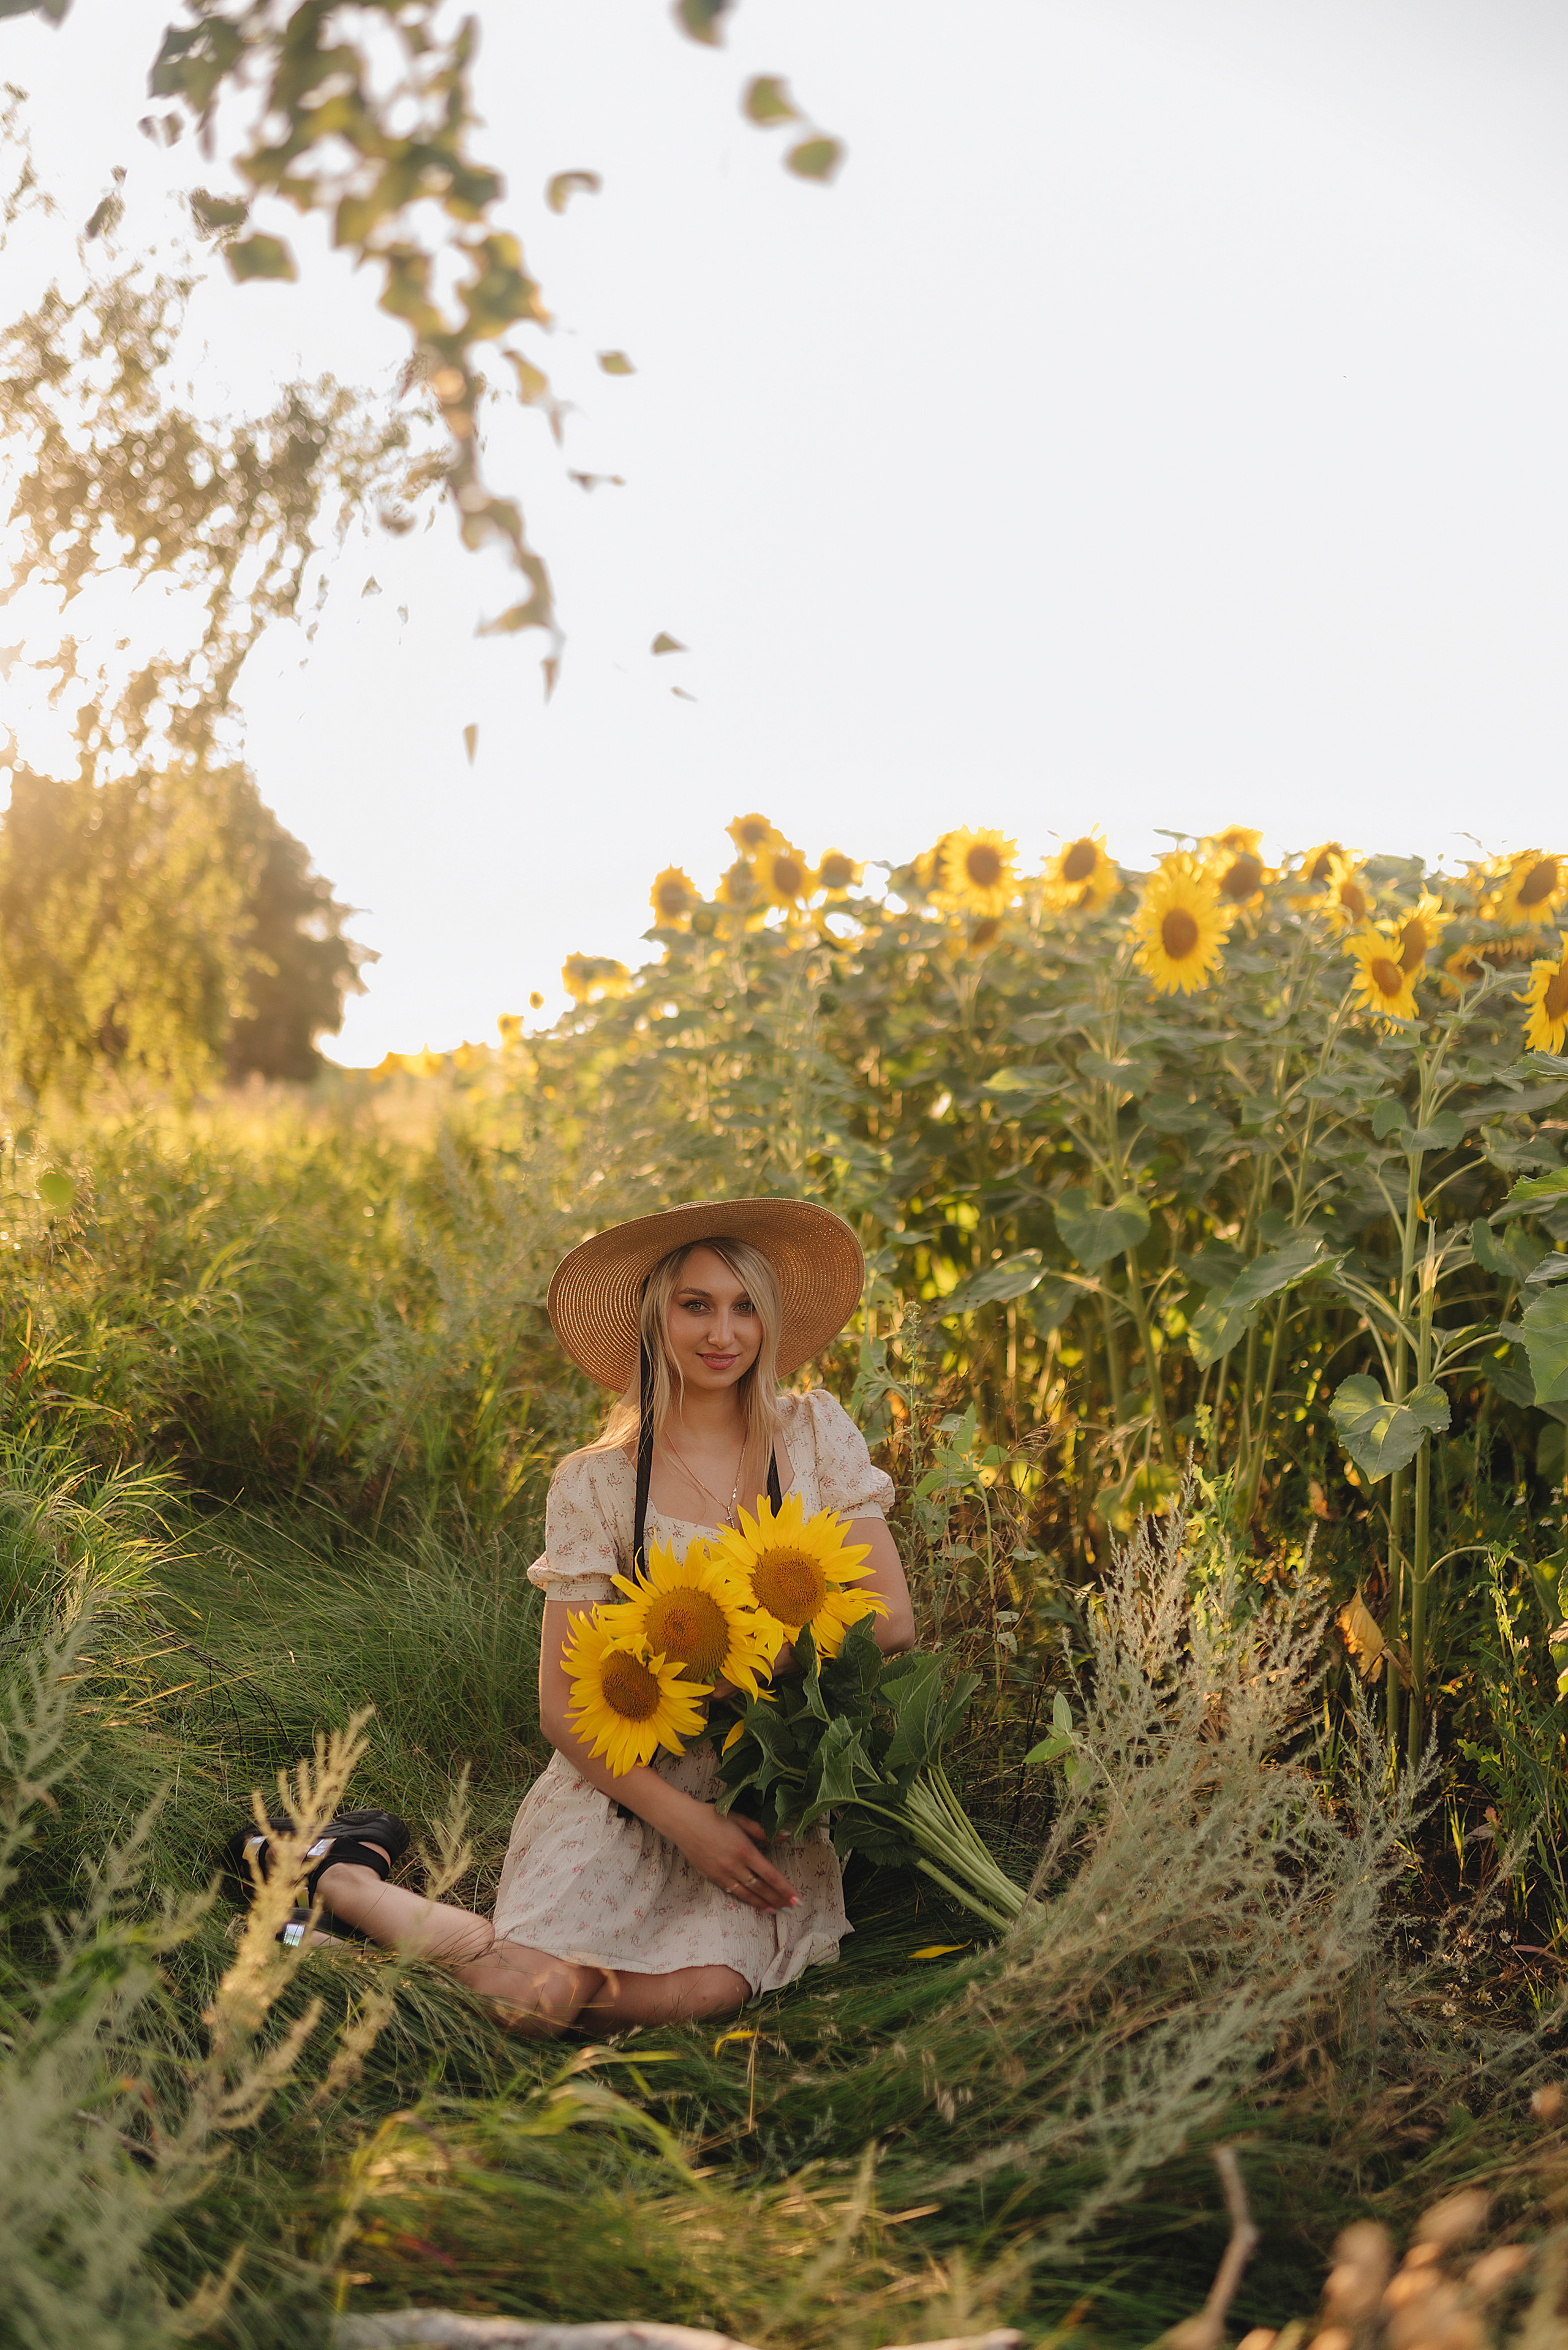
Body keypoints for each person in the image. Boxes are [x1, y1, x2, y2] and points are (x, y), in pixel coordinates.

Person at [227, 1197, 915, 2036]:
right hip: (627, 1789)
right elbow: (562, 1704)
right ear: (655, 1316)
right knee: (537, 2003)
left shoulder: (812, 1436)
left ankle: (335, 1914)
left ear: (769, 1319)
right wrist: (686, 1823)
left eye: (743, 1306)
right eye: (695, 1304)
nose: (722, 1332)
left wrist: (742, 1660)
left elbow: (888, 1622)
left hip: (763, 1789)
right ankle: (347, 1878)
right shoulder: (596, 1483)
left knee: (704, 1994)